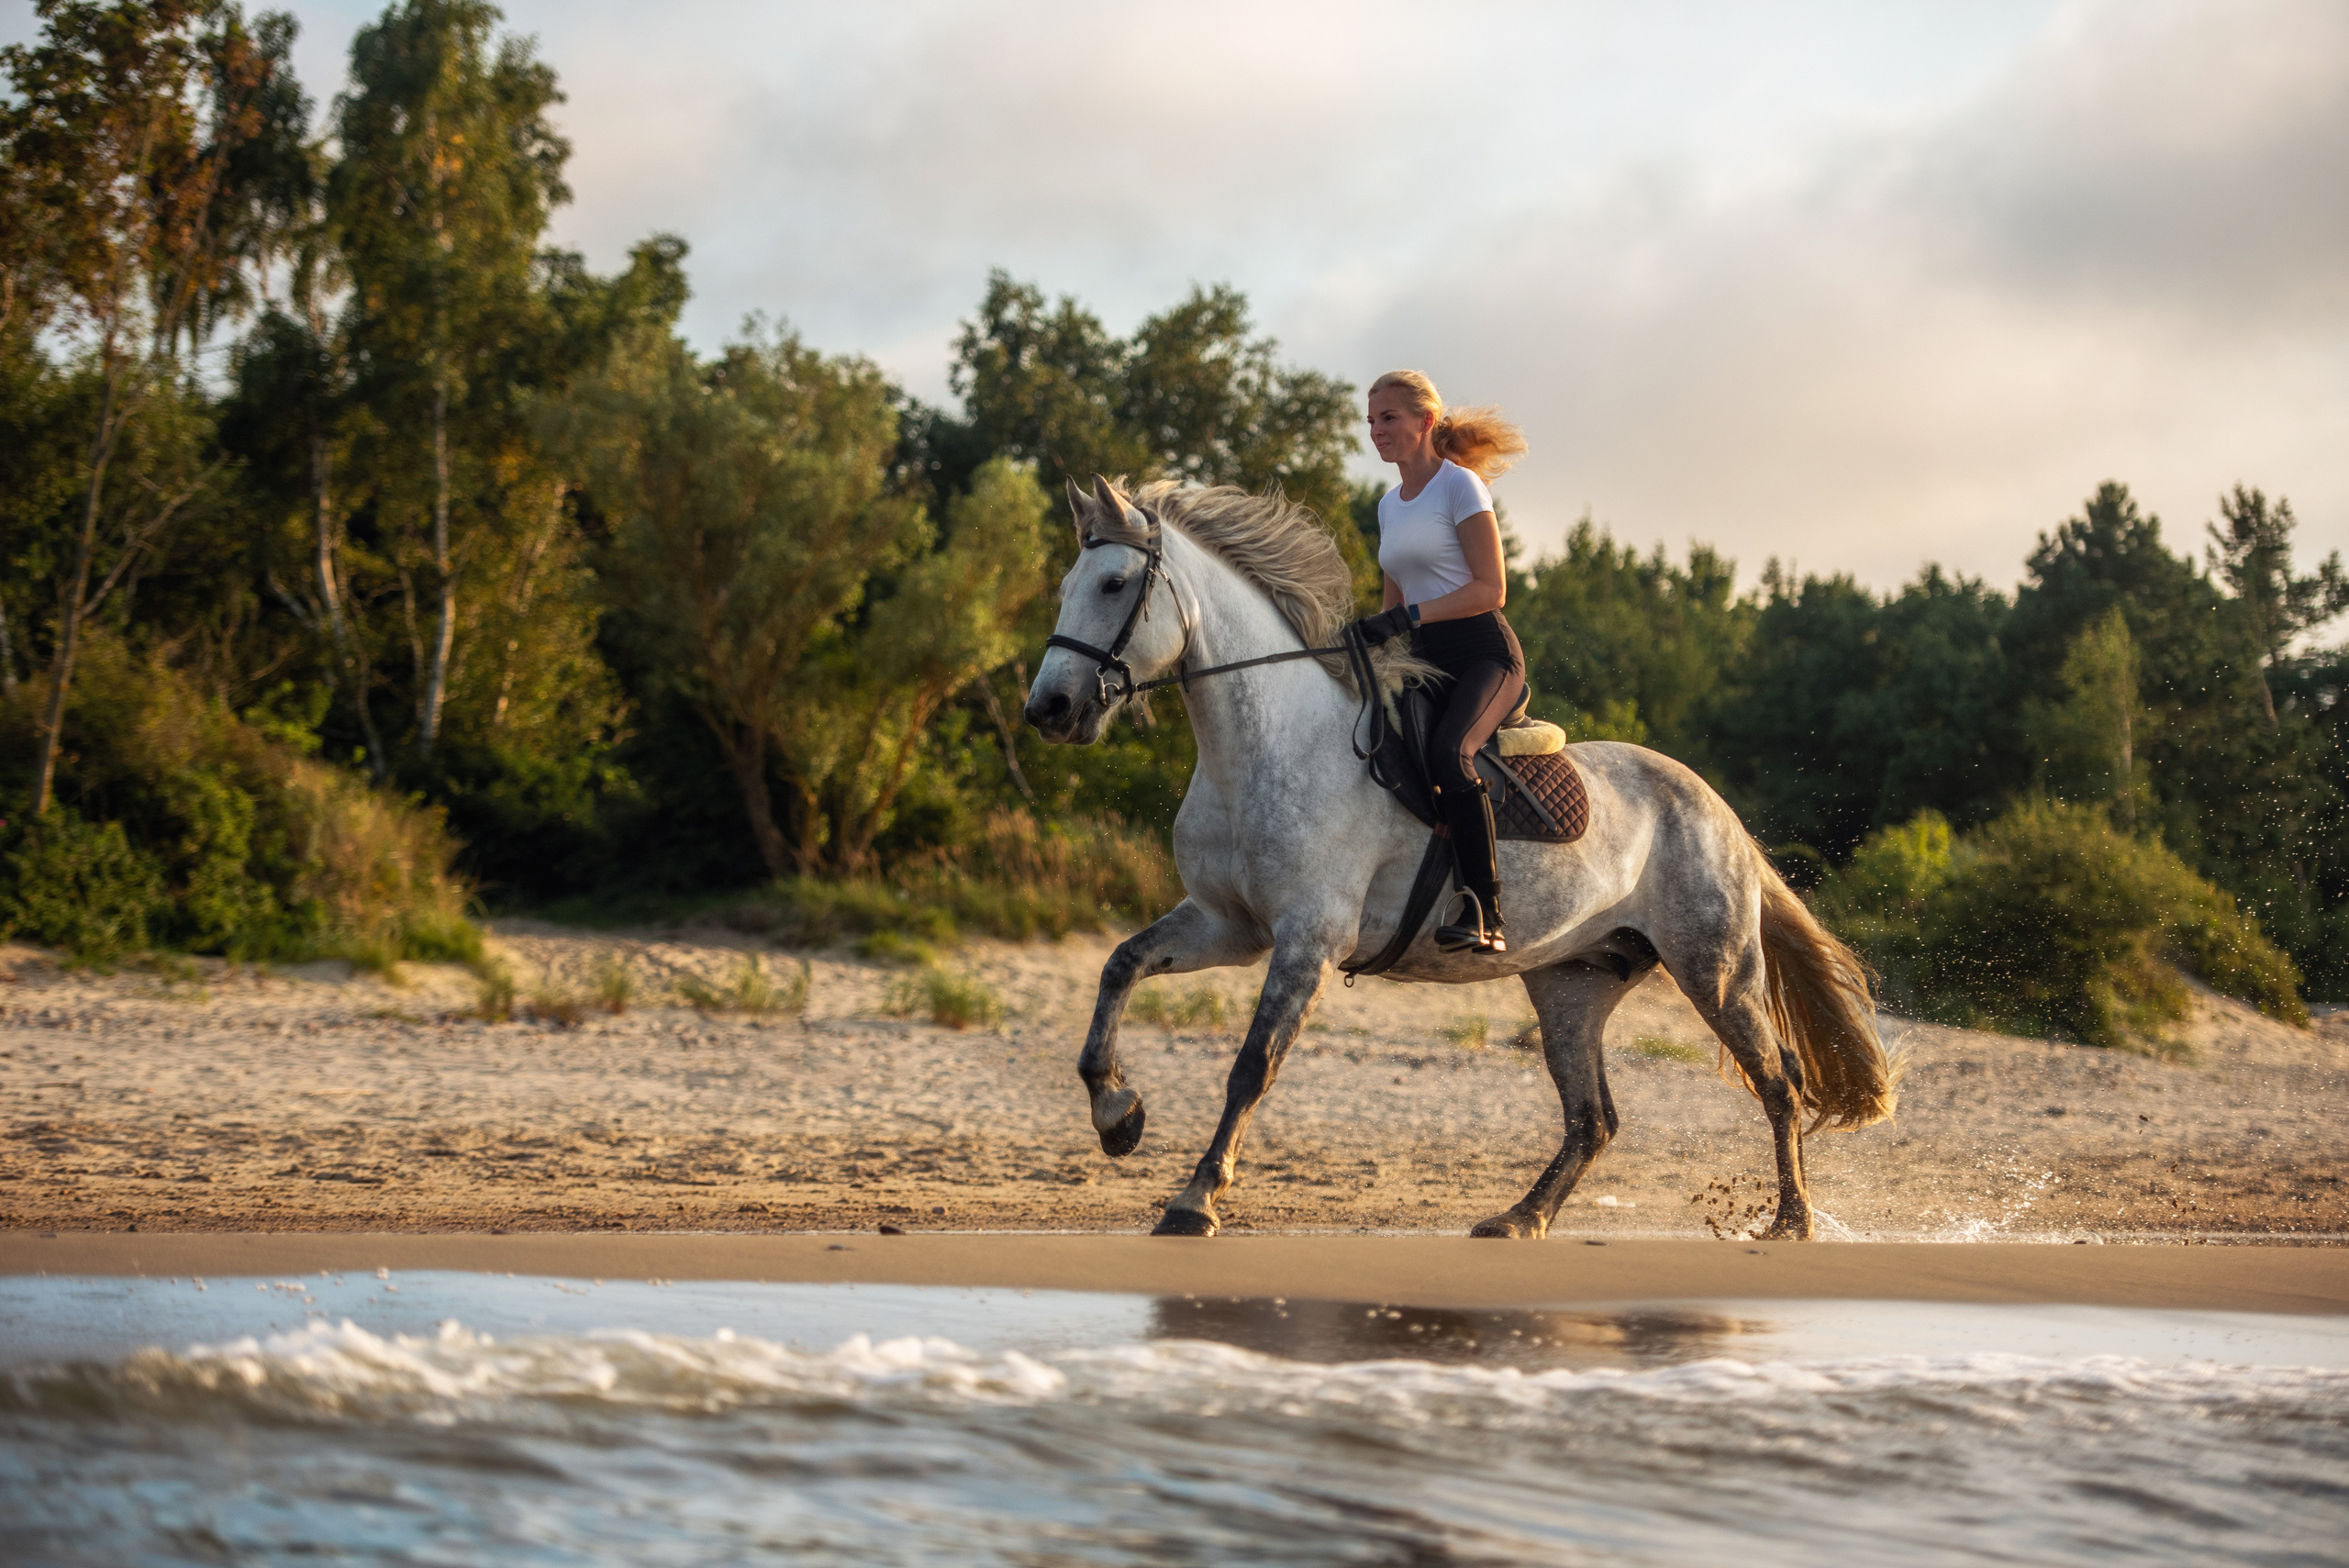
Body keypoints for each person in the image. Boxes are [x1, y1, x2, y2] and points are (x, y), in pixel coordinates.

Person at [1350, 369, 1529, 954]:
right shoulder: (1387, 506)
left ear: (1425, 421)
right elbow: (1393, 604)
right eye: (1371, 421)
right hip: (1426, 663)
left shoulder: (1460, 487)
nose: (1376, 431)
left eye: (1389, 418)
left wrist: (1409, 618)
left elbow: (1490, 590)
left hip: (1484, 656)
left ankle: (1486, 909)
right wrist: (1371, 640)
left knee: (1451, 754)